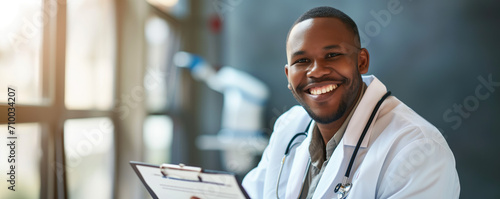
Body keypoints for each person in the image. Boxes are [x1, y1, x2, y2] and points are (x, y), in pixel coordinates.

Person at [242, 6, 460, 199]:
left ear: (361, 61)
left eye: (332, 55)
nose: (316, 71)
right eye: (302, 61)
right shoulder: (288, 127)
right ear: (288, 76)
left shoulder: (418, 150)